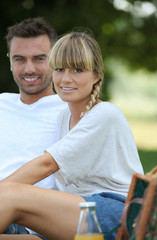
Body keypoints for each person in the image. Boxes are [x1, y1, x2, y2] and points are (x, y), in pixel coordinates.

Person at [0, 31, 144, 240]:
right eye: (59, 69)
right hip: (77, 214)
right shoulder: (64, 116)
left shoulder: (105, 114)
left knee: (11, 194)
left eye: (77, 70)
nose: (66, 79)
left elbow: (46, 165)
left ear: (96, 76)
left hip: (114, 216)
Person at [0, 17, 66, 239]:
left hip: (32, 223)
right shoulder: (2, 104)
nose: (29, 69)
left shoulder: (70, 111)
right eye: (20, 59)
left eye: (39, 59)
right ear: (9, 60)